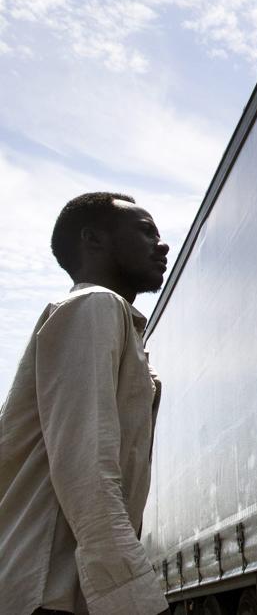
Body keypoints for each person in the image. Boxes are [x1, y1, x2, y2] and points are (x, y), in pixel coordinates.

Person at [0, 193, 171, 615]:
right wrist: (133, 597)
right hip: (47, 594)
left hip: (63, 592)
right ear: (93, 239)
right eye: (146, 231)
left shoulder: (110, 319)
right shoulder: (93, 306)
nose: (162, 244)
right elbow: (86, 465)